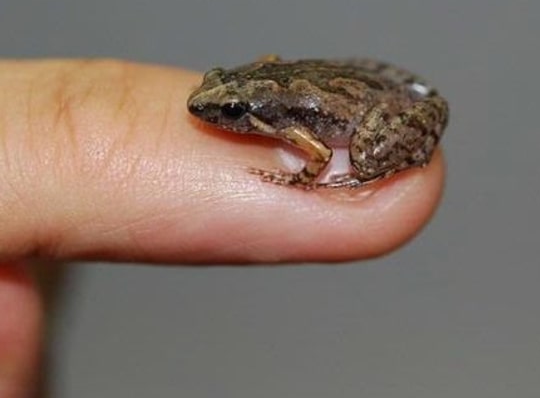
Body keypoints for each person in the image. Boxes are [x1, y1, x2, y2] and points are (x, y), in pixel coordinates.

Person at [0, 59, 446, 396]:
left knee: (365, 157)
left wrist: (299, 181)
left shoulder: (290, 123)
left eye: (231, 110)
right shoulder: (269, 94)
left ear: (256, 113)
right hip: (375, 86)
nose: (210, 110)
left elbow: (321, 156)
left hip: (372, 109)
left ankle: (385, 159)